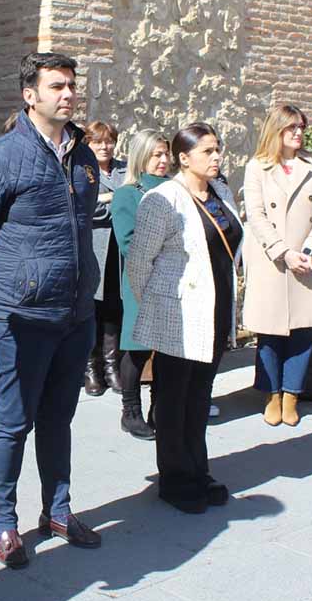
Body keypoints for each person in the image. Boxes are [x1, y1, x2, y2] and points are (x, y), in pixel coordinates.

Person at [0, 51, 102, 569]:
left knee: (59, 418)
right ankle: (5, 521)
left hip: (75, 314)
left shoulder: (84, 157)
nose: (68, 94)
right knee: (13, 421)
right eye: (56, 86)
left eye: (71, 85)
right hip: (20, 317)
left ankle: (57, 511)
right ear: (29, 95)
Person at [126, 123, 242, 514]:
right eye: (207, 151)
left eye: (218, 149)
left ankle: (198, 470)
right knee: (173, 398)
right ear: (184, 158)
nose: (216, 157)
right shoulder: (163, 199)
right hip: (177, 313)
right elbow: (139, 263)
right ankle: (175, 479)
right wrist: (158, 305)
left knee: (199, 395)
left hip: (216, 310)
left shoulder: (221, 193)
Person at [242, 105, 312, 427]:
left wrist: (310, 248)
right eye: (291, 127)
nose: (298, 133)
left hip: (308, 260)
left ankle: (292, 394)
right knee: (269, 333)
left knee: (302, 331)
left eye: (301, 127)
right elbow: (256, 215)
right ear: (276, 130)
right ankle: (272, 395)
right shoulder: (257, 167)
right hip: (272, 261)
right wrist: (284, 252)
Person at [109, 129, 170, 440]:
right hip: (142, 280)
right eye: (156, 154)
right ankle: (130, 411)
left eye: (165, 154)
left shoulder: (176, 189)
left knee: (168, 350)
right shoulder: (128, 194)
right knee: (138, 349)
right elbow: (128, 242)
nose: (163, 160)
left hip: (175, 282)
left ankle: (160, 409)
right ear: (141, 156)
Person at [84, 120, 127, 396]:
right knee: (91, 310)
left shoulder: (125, 170)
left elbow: (133, 200)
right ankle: (90, 368)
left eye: (109, 141)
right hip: (94, 250)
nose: (105, 146)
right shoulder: (82, 170)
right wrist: (115, 202)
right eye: (98, 141)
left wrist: (108, 199)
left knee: (114, 308)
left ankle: (112, 367)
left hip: (119, 252)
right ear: (88, 143)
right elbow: (87, 209)